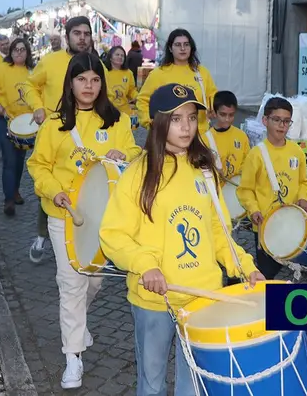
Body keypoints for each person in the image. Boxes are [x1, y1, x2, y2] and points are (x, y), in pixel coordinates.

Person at [99, 83, 264, 396]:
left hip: (204, 298)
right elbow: (113, 234)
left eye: (191, 117)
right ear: (159, 123)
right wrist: (145, 265)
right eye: (176, 119)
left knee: (195, 385)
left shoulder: (204, 170)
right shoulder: (138, 173)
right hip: (155, 301)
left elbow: (219, 232)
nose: (186, 126)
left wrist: (244, 266)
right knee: (152, 384)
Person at [26, 52, 141, 389]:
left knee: (93, 281)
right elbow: (38, 165)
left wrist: (126, 156)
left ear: (101, 83)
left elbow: (135, 154)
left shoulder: (117, 120)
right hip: (65, 217)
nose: (88, 86)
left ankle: (78, 324)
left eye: (94, 80)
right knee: (71, 284)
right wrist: (54, 191)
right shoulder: (54, 123)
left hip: (106, 218)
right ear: (70, 83)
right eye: (81, 79)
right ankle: (73, 356)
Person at [23, 16, 105, 263]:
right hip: (56, 133)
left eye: (86, 33)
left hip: (89, 135)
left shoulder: (97, 64)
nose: (82, 38)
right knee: (50, 186)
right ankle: (42, 234)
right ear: (67, 35)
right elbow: (28, 86)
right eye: (77, 33)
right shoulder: (50, 62)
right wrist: (37, 107)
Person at [236, 96, 307, 280]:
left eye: (286, 121)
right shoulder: (257, 154)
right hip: (265, 225)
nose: (282, 125)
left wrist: (303, 198)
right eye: (276, 120)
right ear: (265, 120)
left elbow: (304, 181)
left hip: (291, 220)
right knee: (268, 271)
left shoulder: (296, 152)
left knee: (289, 261)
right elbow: (245, 189)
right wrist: (253, 210)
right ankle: (263, 298)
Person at [0, 37, 36, 215]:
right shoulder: (1, 69)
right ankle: (9, 200)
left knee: (20, 161)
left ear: (27, 52)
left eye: (22, 49)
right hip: (6, 122)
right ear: (10, 52)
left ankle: (15, 189)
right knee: (10, 161)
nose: (19, 53)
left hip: (26, 125)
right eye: (15, 50)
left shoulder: (32, 72)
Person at [136, 29, 216, 130]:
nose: (183, 48)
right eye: (178, 45)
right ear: (170, 48)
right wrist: (150, 122)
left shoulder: (202, 72)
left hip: (200, 135)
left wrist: (214, 109)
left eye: (186, 44)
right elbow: (142, 100)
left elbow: (212, 96)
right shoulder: (158, 74)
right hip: (169, 136)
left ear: (191, 47)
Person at [203, 91, 249, 180]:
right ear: (215, 113)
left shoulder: (242, 136)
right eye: (223, 114)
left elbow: (247, 163)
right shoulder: (205, 139)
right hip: (216, 190)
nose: (227, 119)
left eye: (231, 115)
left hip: (236, 187)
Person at [106, 45, 137, 125]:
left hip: (124, 112)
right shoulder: (104, 72)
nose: (120, 57)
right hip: (108, 111)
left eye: (122, 55)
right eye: (117, 55)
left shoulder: (128, 73)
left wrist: (137, 97)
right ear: (110, 57)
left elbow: (131, 90)